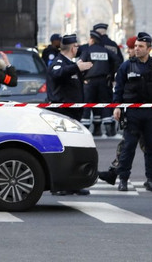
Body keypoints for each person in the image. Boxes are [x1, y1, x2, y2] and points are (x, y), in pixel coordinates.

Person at [98, 36, 152, 188]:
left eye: (141, 46)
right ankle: (123, 180)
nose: (136, 48)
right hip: (132, 113)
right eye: (136, 46)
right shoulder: (126, 66)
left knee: (150, 147)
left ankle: (151, 179)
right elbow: (118, 89)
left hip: (151, 112)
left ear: (149, 49)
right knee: (128, 146)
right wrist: (117, 106)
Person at [46, 33, 93, 195]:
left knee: (74, 151)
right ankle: (60, 186)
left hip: (73, 114)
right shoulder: (59, 62)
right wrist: (77, 68)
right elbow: (57, 73)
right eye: (77, 46)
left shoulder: (69, 63)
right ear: (72, 47)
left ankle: (74, 184)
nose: (78, 48)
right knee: (63, 151)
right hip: (62, 114)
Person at [79, 30, 116, 137]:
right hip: (104, 82)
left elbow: (80, 65)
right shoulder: (106, 51)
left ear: (92, 39)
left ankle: (85, 132)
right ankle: (107, 130)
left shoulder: (87, 51)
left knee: (87, 105)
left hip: (89, 82)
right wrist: (111, 75)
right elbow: (117, 60)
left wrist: (82, 78)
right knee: (104, 104)